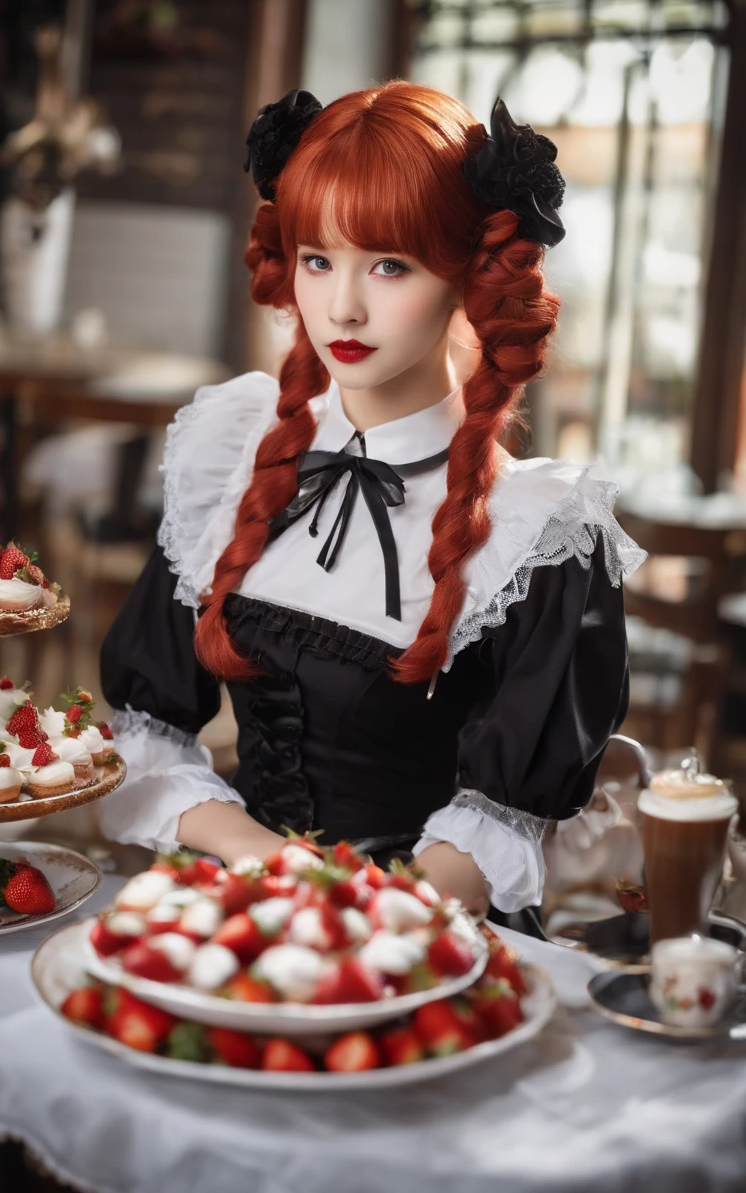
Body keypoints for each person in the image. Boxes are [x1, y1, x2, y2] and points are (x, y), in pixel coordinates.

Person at [99, 82, 645, 918]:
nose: (342, 306)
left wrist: (357, 921)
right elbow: (144, 730)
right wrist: (268, 864)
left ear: (469, 274)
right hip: (252, 913)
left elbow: (511, 817)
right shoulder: (230, 456)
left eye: (389, 265)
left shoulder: (544, 536)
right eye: (318, 259)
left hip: (424, 942)